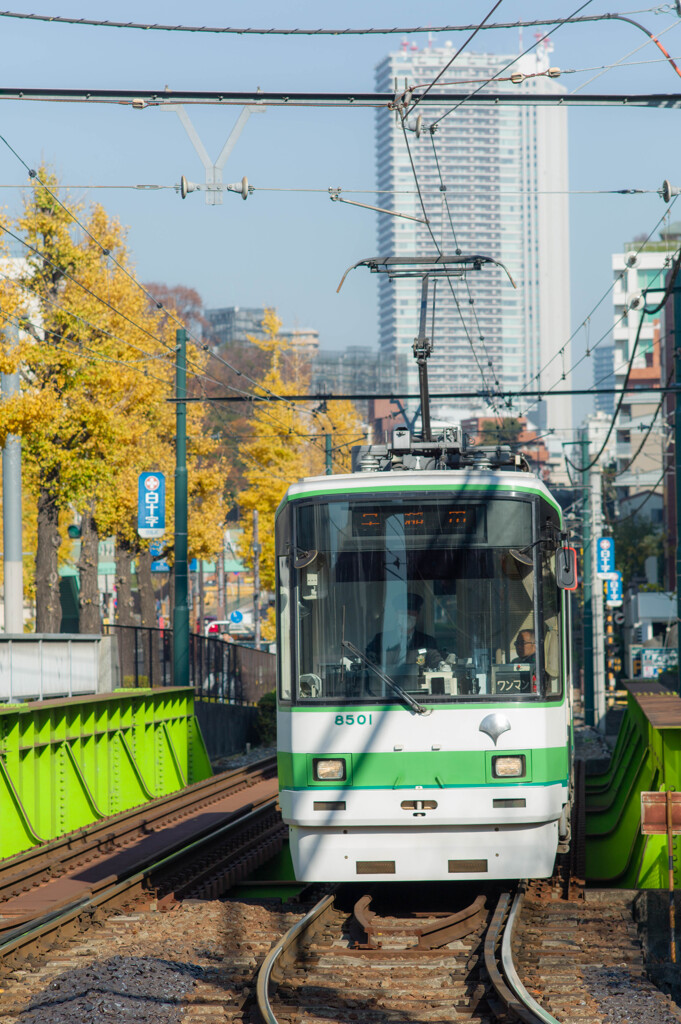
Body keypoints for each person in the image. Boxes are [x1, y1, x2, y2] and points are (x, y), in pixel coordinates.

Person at [366, 592, 439, 671]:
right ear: (396, 615)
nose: (407, 617)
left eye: (411, 614)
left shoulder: (428, 642)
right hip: (386, 682)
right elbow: (369, 663)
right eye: (403, 613)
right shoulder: (380, 640)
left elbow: (436, 662)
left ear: (417, 615)